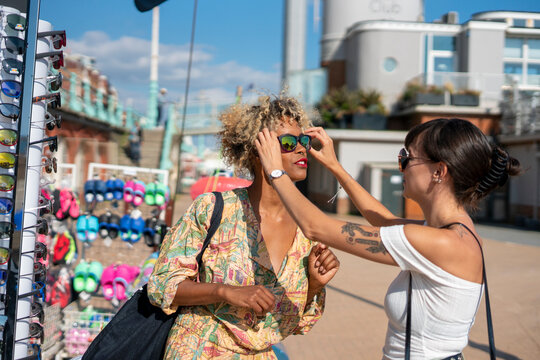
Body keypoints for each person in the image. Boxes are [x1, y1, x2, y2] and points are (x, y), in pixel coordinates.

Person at [255, 118, 521, 359]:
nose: (401, 167)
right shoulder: (454, 232)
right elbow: (385, 221)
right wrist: (336, 167)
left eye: (407, 158)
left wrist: (276, 171)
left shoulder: (442, 243)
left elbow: (316, 227)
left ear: (439, 172)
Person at [148, 95, 340, 359]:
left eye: (303, 141)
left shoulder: (307, 229)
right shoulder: (214, 208)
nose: (301, 149)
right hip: (199, 349)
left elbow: (296, 324)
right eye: (288, 142)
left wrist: (315, 286)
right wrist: (224, 291)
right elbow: (162, 286)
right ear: (257, 150)